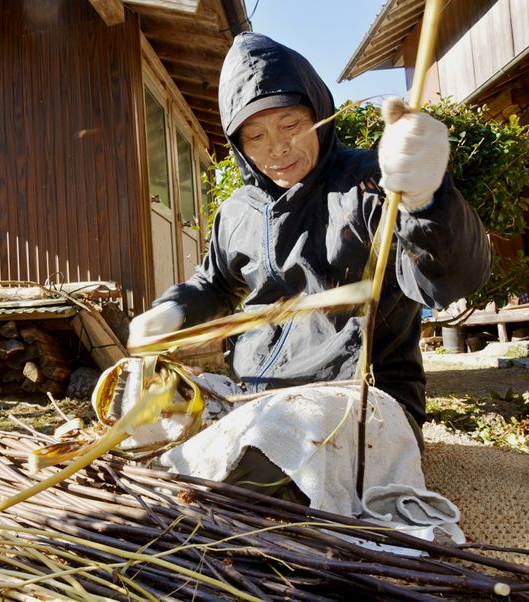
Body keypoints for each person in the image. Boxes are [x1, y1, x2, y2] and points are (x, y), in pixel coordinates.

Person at [128, 33, 491, 500]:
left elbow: (450, 279)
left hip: (357, 400)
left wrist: (426, 201)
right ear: (238, 145)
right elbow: (214, 283)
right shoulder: (237, 211)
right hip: (253, 396)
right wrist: (175, 311)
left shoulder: (373, 183)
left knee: (258, 471)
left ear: (319, 115)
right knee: (148, 426)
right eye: (255, 136)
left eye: (290, 125)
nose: (276, 148)